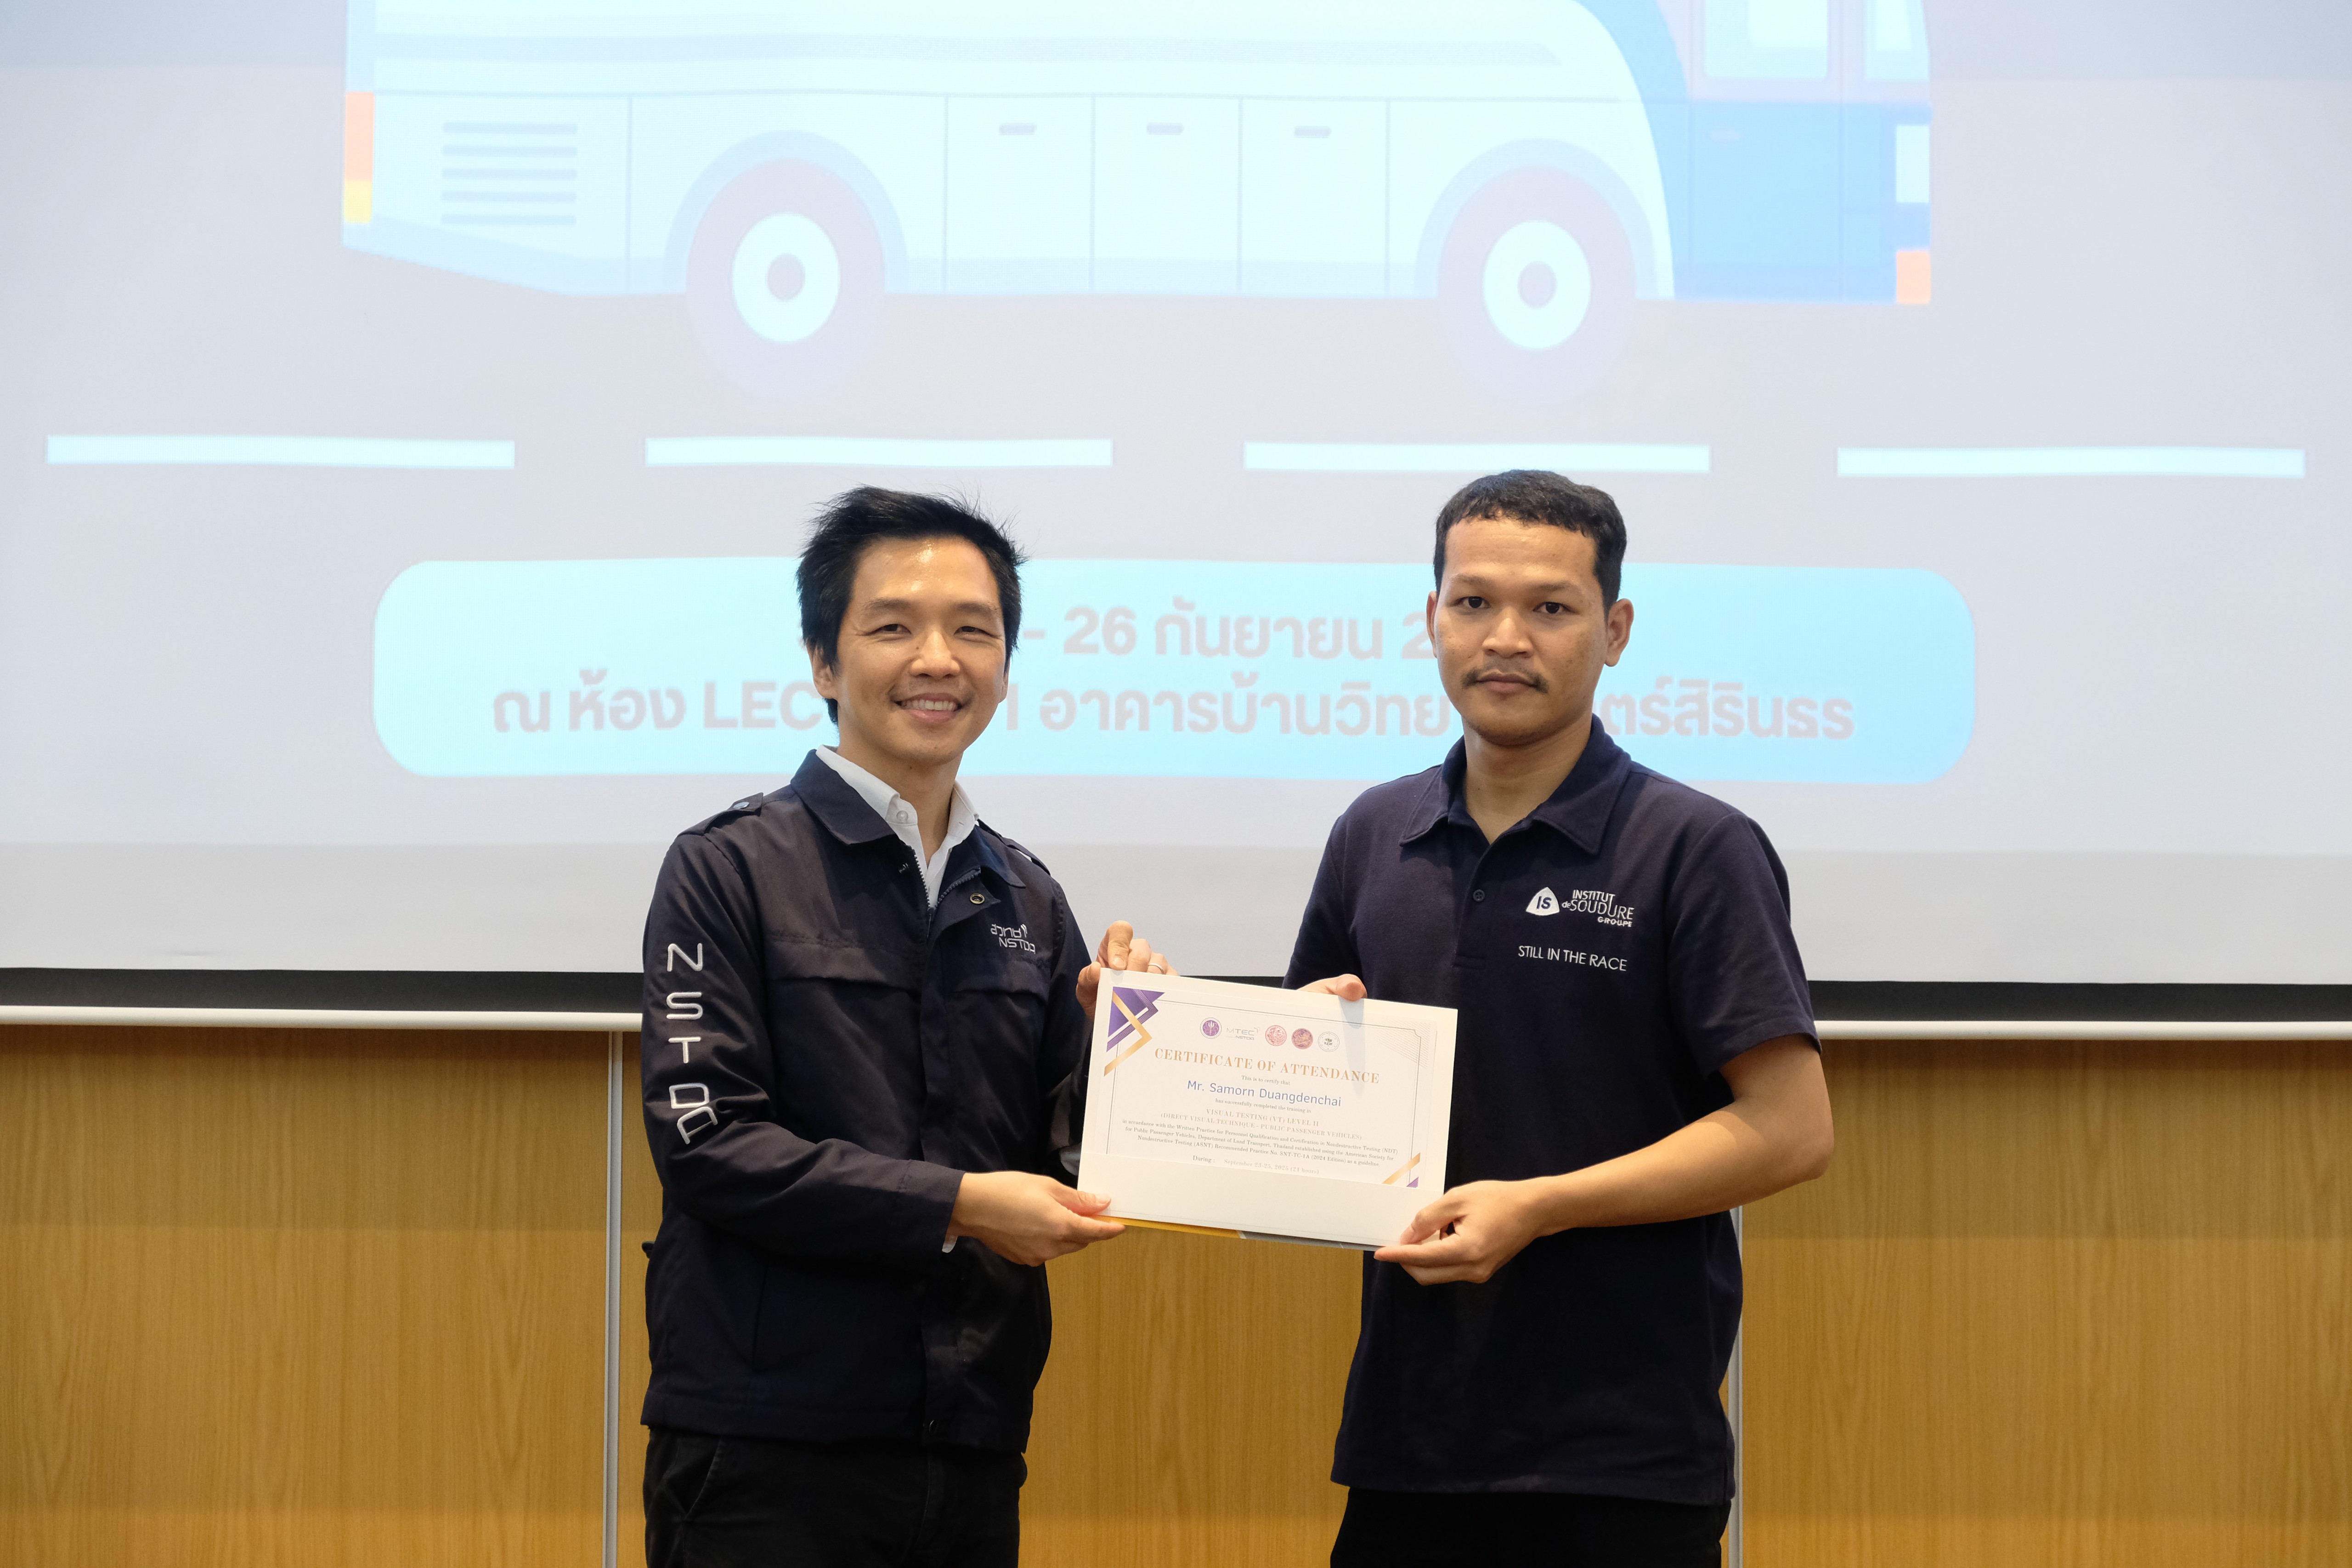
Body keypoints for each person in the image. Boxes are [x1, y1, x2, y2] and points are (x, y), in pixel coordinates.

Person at [1285, 471, 1834, 1568]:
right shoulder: (1373, 834)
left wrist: (1541, 1207)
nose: (1506, 638)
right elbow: (1311, 1114)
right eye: (1473, 602)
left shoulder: (1695, 847)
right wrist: (1184, 1028)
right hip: (1408, 1442)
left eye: (1550, 607)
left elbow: (1789, 1129)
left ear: (1614, 631)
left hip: (1620, 1456)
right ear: (1431, 619)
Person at [636, 487, 1169, 1568]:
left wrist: (1141, 1051)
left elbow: (1075, 1159)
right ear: (823, 663)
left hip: (970, 1432)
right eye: (893, 627)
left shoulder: (1026, 895)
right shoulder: (728, 868)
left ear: (1005, 667)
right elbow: (710, 1145)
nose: (938, 659)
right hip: (763, 1444)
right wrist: (961, 1206)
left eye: (973, 630)